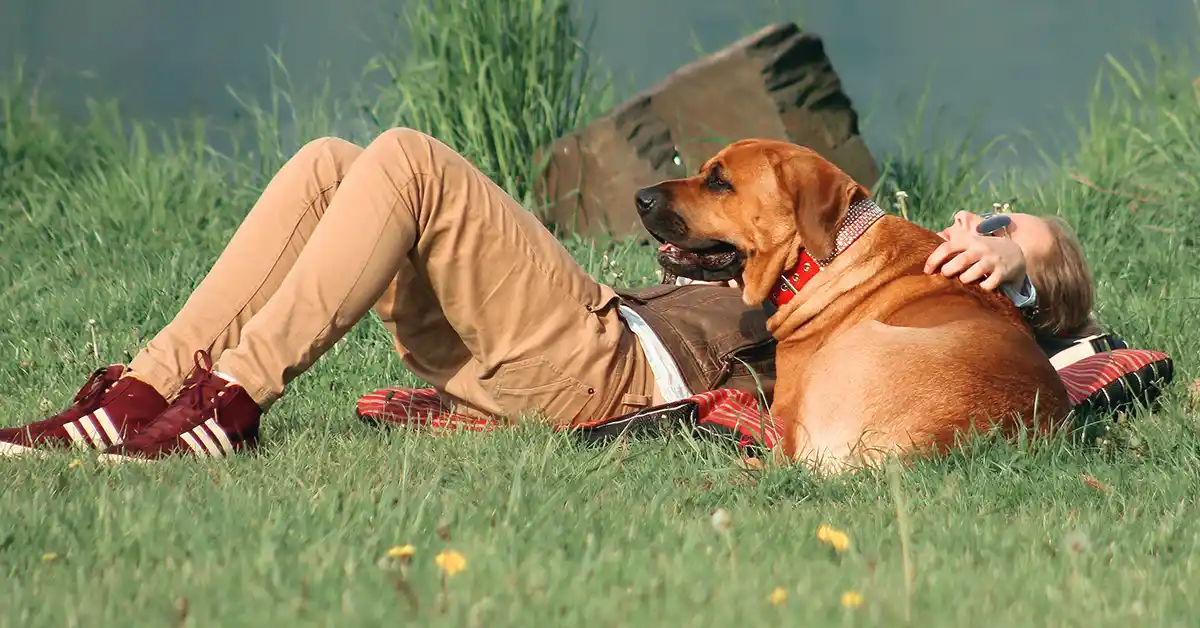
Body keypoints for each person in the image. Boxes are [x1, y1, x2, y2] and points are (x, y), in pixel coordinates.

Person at [0, 128, 1098, 460]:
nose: (966, 233)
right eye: (971, 220)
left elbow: (1060, 310)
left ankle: (228, 398)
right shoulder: (854, 251)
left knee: (410, 162)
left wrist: (1025, 250)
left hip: (611, 363)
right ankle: (139, 389)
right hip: (554, 347)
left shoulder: (941, 301)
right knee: (339, 159)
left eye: (996, 235)